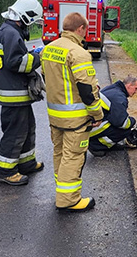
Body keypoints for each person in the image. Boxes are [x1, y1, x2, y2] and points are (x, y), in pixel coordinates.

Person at [41, 12, 104, 212]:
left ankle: (62, 192)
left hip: (55, 115)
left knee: (59, 153)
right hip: (75, 118)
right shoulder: (78, 53)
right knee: (74, 156)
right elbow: (87, 90)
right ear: (80, 29)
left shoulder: (48, 50)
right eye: (85, 30)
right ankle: (68, 200)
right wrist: (97, 115)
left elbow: (49, 78)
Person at [0, 0, 45, 186]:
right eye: (32, 22)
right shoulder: (10, 33)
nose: (31, 26)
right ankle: (6, 171)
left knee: (27, 128)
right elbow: (17, 63)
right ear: (26, 17)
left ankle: (26, 163)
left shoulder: (9, 31)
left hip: (18, 94)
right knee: (14, 133)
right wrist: (38, 57)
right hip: (13, 95)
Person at [88, 75, 137, 157]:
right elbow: (121, 123)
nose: (136, 92)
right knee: (124, 130)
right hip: (91, 128)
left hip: (89, 123)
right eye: (136, 88)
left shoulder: (112, 89)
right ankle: (96, 146)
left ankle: (97, 141)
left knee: (115, 121)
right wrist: (132, 121)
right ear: (129, 86)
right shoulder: (119, 97)